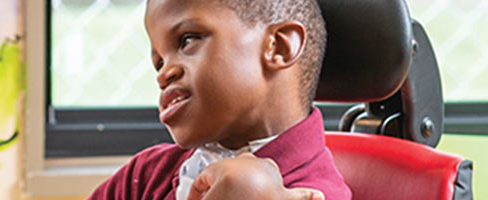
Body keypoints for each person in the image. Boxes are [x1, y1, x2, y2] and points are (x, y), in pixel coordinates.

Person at [90, 0, 350, 199]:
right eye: (159, 63)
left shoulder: (317, 193)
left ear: (278, 47)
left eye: (187, 40)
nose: (164, 74)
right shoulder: (146, 174)